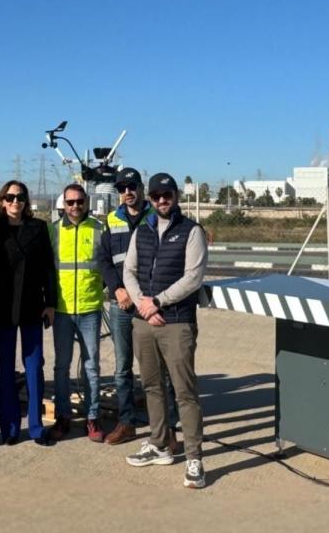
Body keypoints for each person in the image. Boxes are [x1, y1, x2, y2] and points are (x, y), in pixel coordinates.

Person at [123, 173, 209, 489]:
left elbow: (193, 278)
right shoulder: (142, 231)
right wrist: (143, 305)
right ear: (151, 197)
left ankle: (194, 458)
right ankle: (159, 445)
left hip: (177, 322)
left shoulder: (191, 232)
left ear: (175, 197)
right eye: (157, 195)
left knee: (185, 391)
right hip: (144, 321)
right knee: (151, 386)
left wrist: (157, 302)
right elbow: (128, 272)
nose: (162, 201)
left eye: (167, 195)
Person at [0, 180, 56, 446]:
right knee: (6, 368)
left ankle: (36, 428)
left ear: (26, 202)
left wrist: (50, 303)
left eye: (21, 197)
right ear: (2, 201)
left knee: (34, 366)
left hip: (33, 305)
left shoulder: (38, 228)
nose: (16, 202)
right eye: (11, 197)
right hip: (3, 308)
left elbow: (48, 267)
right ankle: (10, 428)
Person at [48, 184, 106, 443]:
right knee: (62, 366)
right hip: (61, 310)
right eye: (70, 202)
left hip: (90, 308)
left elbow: (105, 265)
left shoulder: (98, 229)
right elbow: (47, 268)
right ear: (63, 204)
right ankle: (63, 416)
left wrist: (98, 289)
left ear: (86, 202)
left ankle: (92, 417)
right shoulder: (54, 230)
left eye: (79, 201)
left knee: (91, 366)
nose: (74, 206)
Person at [98, 167, 151, 446]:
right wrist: (117, 289)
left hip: (146, 303)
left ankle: (166, 421)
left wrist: (145, 297)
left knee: (154, 366)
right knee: (122, 367)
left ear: (140, 188)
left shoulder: (155, 217)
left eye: (131, 187)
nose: (127, 192)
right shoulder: (112, 219)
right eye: (121, 189)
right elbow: (104, 259)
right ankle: (127, 422)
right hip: (120, 304)